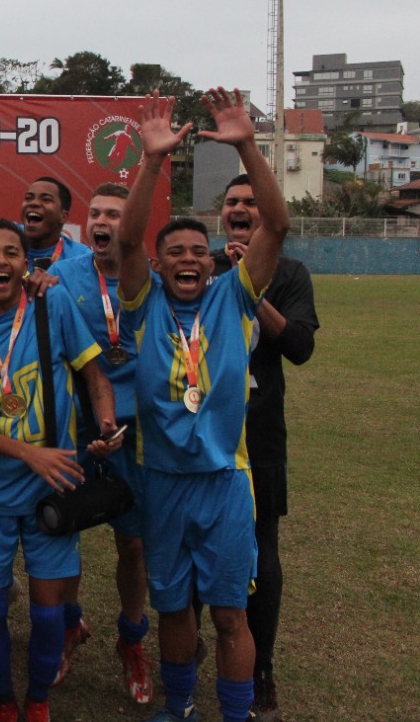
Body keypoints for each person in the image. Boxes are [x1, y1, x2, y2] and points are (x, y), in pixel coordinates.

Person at [118, 89, 290, 722]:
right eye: (175, 253)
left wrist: (247, 146)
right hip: (162, 481)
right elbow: (127, 240)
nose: (187, 259)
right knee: (171, 607)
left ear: (210, 264)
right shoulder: (144, 304)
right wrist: (151, 161)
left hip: (224, 482)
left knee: (229, 613)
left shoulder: (234, 297)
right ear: (159, 265)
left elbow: (276, 225)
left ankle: (236, 714)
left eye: (197, 251)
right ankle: (181, 707)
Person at [0, 220, 118, 722]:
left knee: (47, 611)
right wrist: (30, 454)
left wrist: (106, 424)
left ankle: (38, 700)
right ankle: (4, 701)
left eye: (12, 252)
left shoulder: (52, 304)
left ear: (26, 264)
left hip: (53, 488)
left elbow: (96, 377)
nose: (1, 260)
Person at [211, 174, 318, 721]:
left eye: (251, 202)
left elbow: (299, 346)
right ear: (221, 212)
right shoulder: (199, 263)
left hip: (259, 432)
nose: (240, 208)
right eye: (232, 202)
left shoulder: (291, 273)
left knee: (261, 550)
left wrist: (250, 288)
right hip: (202, 431)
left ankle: (261, 666)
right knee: (193, 543)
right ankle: (191, 648)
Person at [45, 184, 154, 704]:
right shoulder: (63, 275)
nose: (101, 222)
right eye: (95, 214)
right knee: (64, 533)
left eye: (114, 214)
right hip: (77, 430)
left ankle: (132, 638)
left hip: (135, 435)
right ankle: (70, 626)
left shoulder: (151, 279)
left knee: (132, 544)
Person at [21, 177, 90, 268]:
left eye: (46, 199)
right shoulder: (5, 239)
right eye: (28, 198)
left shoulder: (82, 257)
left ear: (63, 216)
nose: (33, 203)